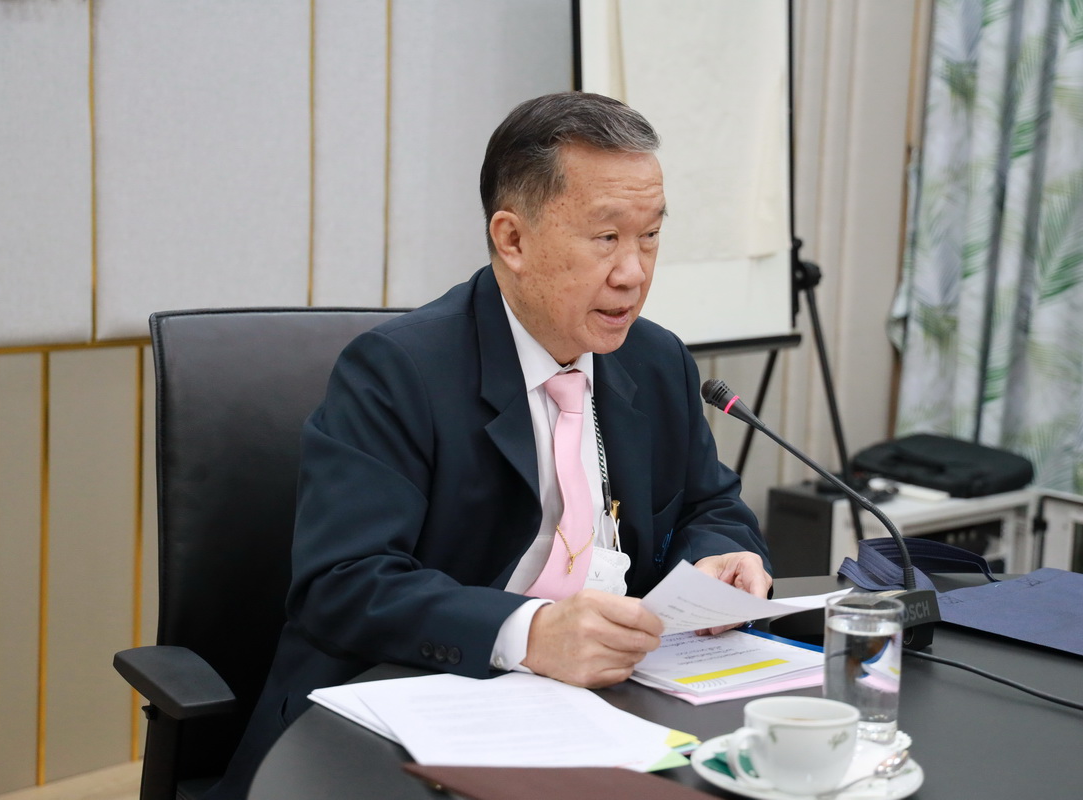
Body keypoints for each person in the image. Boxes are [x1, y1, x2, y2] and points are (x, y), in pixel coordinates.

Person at [208, 91, 770, 799]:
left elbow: (711, 506)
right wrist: (529, 633)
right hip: (407, 721)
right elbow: (343, 582)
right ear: (512, 239)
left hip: (605, 713)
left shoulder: (656, 361)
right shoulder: (397, 372)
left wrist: (719, 558)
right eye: (605, 238)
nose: (633, 272)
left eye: (650, 236)